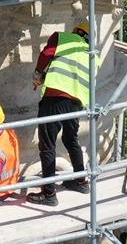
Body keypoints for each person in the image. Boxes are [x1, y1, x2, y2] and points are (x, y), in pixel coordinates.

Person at [27, 21, 91, 207]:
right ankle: (80, 181)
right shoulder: (91, 53)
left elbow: (46, 54)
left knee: (47, 144)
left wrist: (39, 74)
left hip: (55, 98)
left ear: (77, 31)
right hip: (76, 101)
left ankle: (49, 194)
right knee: (71, 139)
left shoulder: (63, 38)